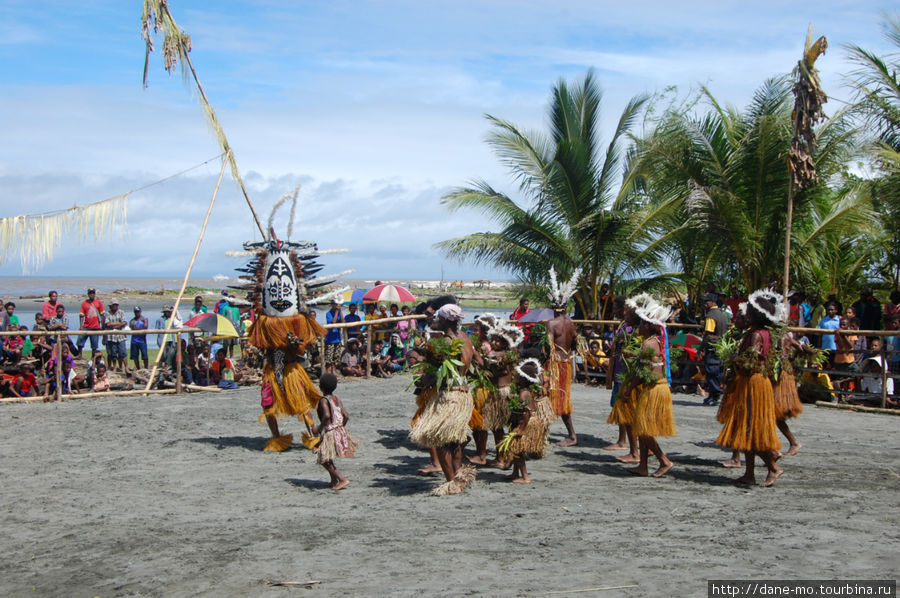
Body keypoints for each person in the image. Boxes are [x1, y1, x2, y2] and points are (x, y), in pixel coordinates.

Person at [716, 290, 783, 486]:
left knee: (749, 429)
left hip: (753, 382)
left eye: (750, 311)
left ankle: (773, 467)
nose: (746, 313)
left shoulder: (756, 335)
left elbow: (751, 361)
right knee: (747, 428)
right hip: (754, 382)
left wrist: (733, 359)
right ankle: (749, 473)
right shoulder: (762, 333)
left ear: (757, 315)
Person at [409, 303, 477, 495]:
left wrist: (423, 381)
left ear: (446, 320)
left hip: (449, 395)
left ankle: (451, 482)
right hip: (464, 394)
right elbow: (478, 363)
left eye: (438, 318)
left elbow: (440, 374)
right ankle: (457, 477)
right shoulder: (466, 338)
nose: (436, 321)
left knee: (440, 440)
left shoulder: (445, 343)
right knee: (454, 439)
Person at [617, 296, 676, 478]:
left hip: (654, 389)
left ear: (649, 326)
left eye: (642, 324)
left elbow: (641, 373)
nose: (639, 327)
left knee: (643, 429)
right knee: (642, 428)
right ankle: (643, 465)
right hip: (656, 387)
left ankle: (663, 460)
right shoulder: (656, 341)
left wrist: (627, 391)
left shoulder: (648, 344)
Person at [498, 358, 554, 483]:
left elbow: (528, 412)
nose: (515, 377)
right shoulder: (524, 391)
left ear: (523, 379)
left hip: (527, 423)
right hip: (522, 421)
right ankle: (515, 474)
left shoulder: (524, 393)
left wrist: (521, 429)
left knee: (516, 449)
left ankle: (525, 476)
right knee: (516, 448)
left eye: (518, 376)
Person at [545, 267, 580, 446]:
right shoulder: (571, 324)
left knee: (547, 395)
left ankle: (544, 432)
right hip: (566, 363)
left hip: (554, 365)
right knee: (563, 398)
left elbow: (548, 347)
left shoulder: (551, 323)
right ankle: (571, 435)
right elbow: (575, 345)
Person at [604, 296, 640, 461]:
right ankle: (622, 440)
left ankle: (630, 445)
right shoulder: (623, 326)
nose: (614, 312)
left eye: (616, 309)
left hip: (625, 373)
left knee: (627, 409)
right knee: (619, 407)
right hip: (619, 370)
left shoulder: (631, 328)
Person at [312, 373, 358, 491]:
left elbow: (327, 415)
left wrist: (319, 428)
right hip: (340, 430)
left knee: (323, 457)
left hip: (331, 431)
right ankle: (333, 480)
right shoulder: (337, 399)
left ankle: (342, 479)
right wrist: (341, 428)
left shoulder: (324, 400)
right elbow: (346, 416)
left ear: (321, 387)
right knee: (327, 456)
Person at [700, 292, 729, 406]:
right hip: (721, 346)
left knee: (712, 371)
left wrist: (701, 348)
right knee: (718, 370)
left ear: (712, 302)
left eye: (706, 301)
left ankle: (714, 395)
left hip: (713, 347)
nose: (705, 304)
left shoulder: (711, 315)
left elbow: (708, 333)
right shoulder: (721, 313)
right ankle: (714, 394)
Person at [75, 288, 105, 358]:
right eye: (90, 293)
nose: (92, 294)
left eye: (93, 293)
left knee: (94, 344)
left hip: (96, 327)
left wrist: (102, 326)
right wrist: (81, 326)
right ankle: (80, 354)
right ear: (88, 294)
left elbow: (102, 315)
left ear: (94, 294)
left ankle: (93, 357)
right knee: (80, 340)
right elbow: (81, 315)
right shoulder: (84, 303)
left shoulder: (99, 302)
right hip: (86, 326)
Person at [104, 300, 129, 374]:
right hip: (111, 337)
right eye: (113, 305)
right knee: (113, 353)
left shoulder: (121, 312)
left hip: (120, 336)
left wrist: (115, 325)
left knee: (123, 353)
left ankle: (126, 367)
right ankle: (115, 367)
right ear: (110, 306)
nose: (115, 306)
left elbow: (124, 322)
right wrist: (119, 324)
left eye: (116, 305)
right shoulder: (107, 313)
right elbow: (108, 324)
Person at [324, 298, 344, 376]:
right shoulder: (328, 313)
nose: (337, 306)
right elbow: (333, 322)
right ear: (332, 305)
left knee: (336, 356)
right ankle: (328, 371)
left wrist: (340, 311)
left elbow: (343, 321)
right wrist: (336, 312)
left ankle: (333, 370)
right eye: (335, 304)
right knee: (329, 356)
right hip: (330, 338)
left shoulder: (339, 312)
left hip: (337, 338)